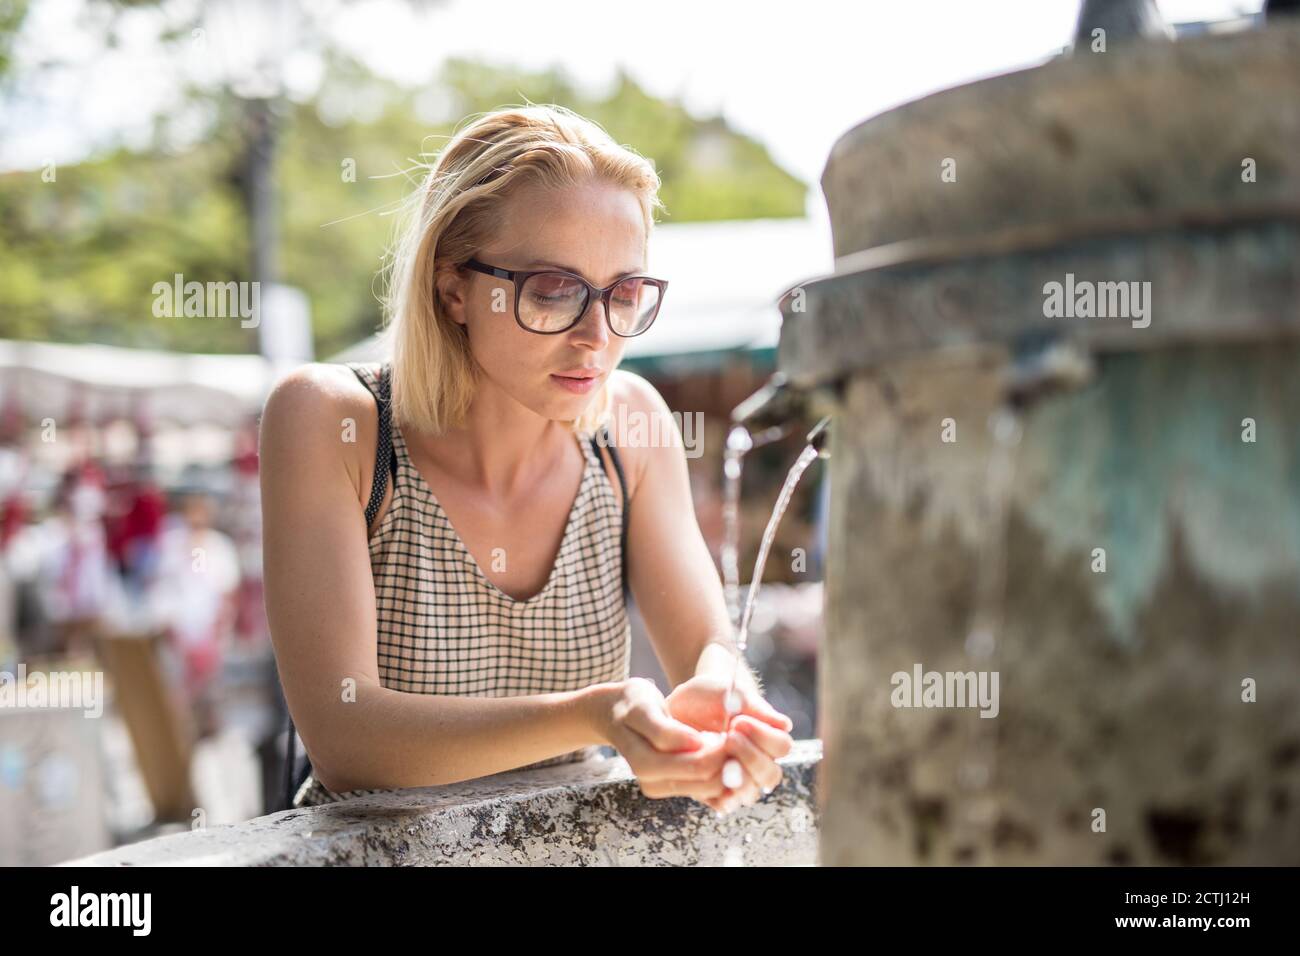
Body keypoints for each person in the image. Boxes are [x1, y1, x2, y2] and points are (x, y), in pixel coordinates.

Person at [260, 105, 793, 813]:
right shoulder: (333, 421)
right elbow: (346, 741)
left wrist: (726, 697)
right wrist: (594, 715)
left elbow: (708, 645)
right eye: (552, 292)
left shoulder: (630, 426)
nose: (596, 336)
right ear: (453, 289)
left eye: (624, 294)